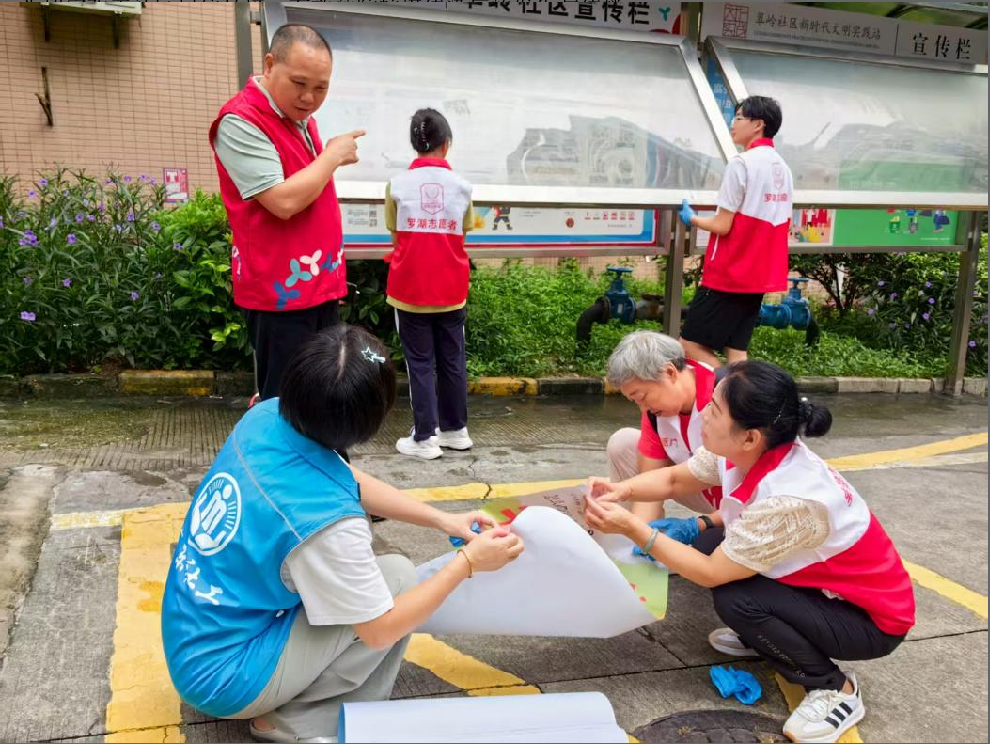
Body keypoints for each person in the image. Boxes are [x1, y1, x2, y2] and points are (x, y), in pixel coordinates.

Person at [161, 325, 523, 744]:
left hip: (191, 637)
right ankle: (299, 723)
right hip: (226, 678)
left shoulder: (265, 418)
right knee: (398, 582)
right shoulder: (328, 523)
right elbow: (379, 630)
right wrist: (468, 563)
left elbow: (346, 477)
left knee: (383, 579)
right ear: (371, 423)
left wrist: (445, 520)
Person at [586, 360, 915, 744]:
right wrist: (621, 490)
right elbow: (675, 479)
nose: (704, 415)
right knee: (707, 543)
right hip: (828, 593)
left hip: (871, 621)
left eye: (715, 410)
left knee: (736, 599)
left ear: (749, 437)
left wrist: (633, 528)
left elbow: (711, 572)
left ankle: (833, 687)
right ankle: (768, 633)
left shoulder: (789, 498)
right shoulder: (742, 451)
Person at [210, 23, 366, 402]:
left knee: (320, 397)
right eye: (299, 83)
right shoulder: (241, 120)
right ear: (269, 65)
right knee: (287, 403)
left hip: (317, 286)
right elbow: (281, 201)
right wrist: (331, 155)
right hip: (279, 294)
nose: (309, 97)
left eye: (321, 88)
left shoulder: (299, 120)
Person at [384, 108, 476, 460]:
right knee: (453, 359)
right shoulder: (463, 187)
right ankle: (456, 430)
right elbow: (462, 233)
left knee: (419, 362)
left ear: (415, 144)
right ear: (446, 144)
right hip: (451, 288)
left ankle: (425, 437)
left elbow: (396, 238)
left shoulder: (396, 185)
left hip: (409, 288)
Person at [678, 96, 793, 369]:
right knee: (737, 351)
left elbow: (722, 225)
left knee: (689, 344)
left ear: (758, 125)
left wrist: (692, 218)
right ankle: (743, 392)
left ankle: (732, 388)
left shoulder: (741, 164)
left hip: (730, 273)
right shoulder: (783, 168)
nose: (733, 123)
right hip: (759, 275)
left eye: (739, 117)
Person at [603, 331, 721, 525]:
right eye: (635, 401)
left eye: (642, 397)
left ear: (670, 372)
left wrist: (703, 525)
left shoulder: (723, 397)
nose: (643, 408)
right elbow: (650, 485)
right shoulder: (655, 413)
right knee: (623, 443)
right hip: (697, 489)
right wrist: (639, 533)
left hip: (744, 500)